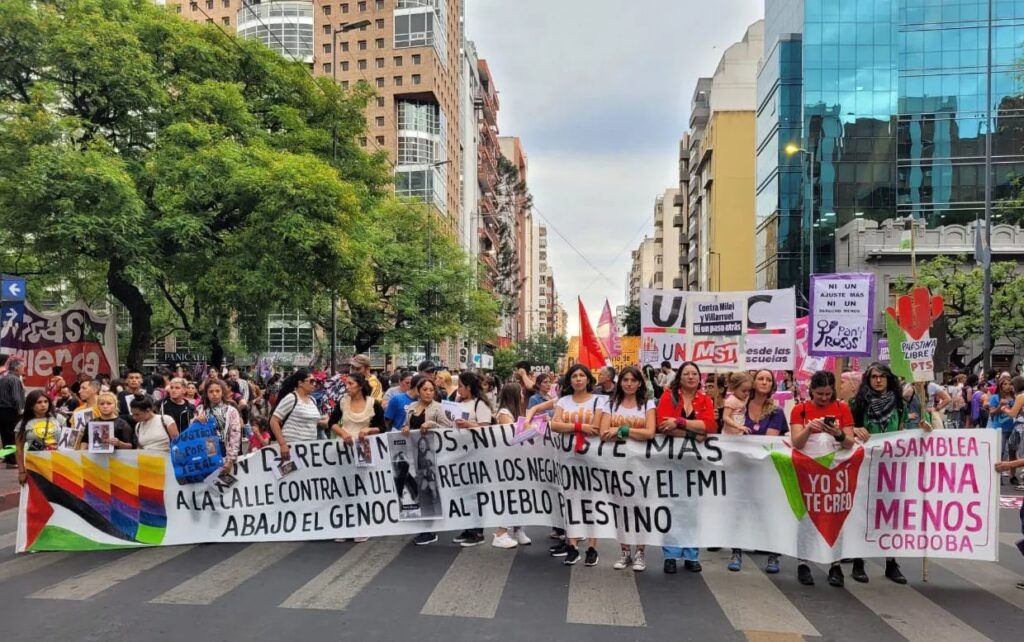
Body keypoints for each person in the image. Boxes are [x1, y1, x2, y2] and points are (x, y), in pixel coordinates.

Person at [849, 363, 934, 584]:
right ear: (867, 380)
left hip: (892, 467)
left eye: (882, 376)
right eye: (873, 376)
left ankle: (891, 562)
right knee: (863, 514)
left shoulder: (899, 404)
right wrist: (855, 430)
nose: (878, 380)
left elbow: (903, 431)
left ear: (889, 379)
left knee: (890, 515)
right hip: (865, 465)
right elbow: (848, 430)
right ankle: (858, 561)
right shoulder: (856, 404)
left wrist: (921, 431)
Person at [789, 370, 856, 587]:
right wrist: (809, 428)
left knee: (835, 516)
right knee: (806, 517)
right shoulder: (800, 410)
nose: (824, 398)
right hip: (808, 472)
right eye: (820, 394)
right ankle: (803, 563)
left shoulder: (842, 408)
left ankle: (835, 565)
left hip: (835, 473)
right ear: (811, 391)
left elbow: (849, 442)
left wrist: (837, 432)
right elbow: (797, 443)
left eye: (828, 394)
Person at [656, 361, 717, 574]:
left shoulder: (705, 400)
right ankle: (671, 554)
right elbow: (663, 426)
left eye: (695, 374)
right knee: (672, 506)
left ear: (699, 378)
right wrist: (693, 432)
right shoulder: (668, 397)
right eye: (687, 374)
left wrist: (679, 422)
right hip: (671, 460)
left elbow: (709, 426)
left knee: (693, 509)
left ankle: (692, 554)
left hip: (696, 464)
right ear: (679, 378)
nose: (691, 377)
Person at [599, 366, 656, 571]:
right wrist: (632, 432)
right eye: (625, 380)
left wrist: (622, 429)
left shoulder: (647, 404)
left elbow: (650, 433)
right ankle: (624, 552)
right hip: (616, 464)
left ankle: (640, 552)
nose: (629, 384)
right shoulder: (610, 404)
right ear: (619, 382)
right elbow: (604, 432)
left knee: (641, 508)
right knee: (620, 508)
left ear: (640, 383)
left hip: (642, 465)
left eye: (633, 380)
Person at [548, 364, 602, 566]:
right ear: (569, 381)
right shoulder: (563, 401)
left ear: (588, 379)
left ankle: (592, 547)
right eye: (574, 376)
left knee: (591, 502)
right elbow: (555, 424)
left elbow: (596, 428)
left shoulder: (599, 400)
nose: (578, 379)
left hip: (592, 459)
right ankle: (571, 545)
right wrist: (579, 426)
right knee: (569, 500)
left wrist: (569, 428)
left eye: (582, 375)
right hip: (566, 458)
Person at [742, 369, 789, 573]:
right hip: (743, 468)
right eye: (760, 378)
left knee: (771, 512)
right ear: (753, 382)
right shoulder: (740, 406)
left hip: (768, 470)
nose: (764, 382)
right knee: (741, 509)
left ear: (772, 385)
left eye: (768, 379)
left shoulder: (776, 411)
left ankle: (773, 555)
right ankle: (736, 550)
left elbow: (769, 439)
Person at [403, 376, 453, 547]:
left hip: (431, 457)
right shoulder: (411, 408)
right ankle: (426, 525)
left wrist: (432, 424)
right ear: (418, 391)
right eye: (425, 389)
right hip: (414, 455)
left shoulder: (438, 408)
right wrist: (405, 428)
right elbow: (405, 425)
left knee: (429, 490)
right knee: (418, 490)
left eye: (431, 390)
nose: (428, 393)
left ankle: (431, 529)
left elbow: (448, 429)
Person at [451, 371, 494, 548]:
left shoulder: (480, 404)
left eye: (460, 385)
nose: (458, 389)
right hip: (460, 454)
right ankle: (467, 527)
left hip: (476, 454)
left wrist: (468, 424)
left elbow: (486, 428)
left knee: (475, 493)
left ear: (468, 387)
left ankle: (477, 531)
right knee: (464, 493)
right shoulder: (459, 402)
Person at [490, 382, 532, 549]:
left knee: (520, 496)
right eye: (520, 393)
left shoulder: (516, 411)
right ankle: (500, 533)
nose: (522, 396)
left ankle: (518, 528)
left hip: (518, 460)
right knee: (511, 497)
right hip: (508, 461)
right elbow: (511, 436)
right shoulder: (505, 413)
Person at [270, 369, 326, 462]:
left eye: (315, 381)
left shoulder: (312, 400)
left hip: (309, 449)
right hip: (292, 448)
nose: (314, 384)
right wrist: (283, 444)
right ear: (300, 383)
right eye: (311, 381)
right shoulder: (291, 398)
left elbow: (312, 421)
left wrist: (325, 422)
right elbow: (274, 421)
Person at [13, 390, 62, 484]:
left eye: (46, 401)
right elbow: (19, 449)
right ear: (31, 405)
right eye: (39, 402)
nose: (43, 405)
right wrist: (21, 471)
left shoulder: (58, 418)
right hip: (36, 466)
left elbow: (68, 440)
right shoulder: (23, 424)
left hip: (58, 464)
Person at [197, 380, 243, 474]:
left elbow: (235, 435)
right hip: (207, 449)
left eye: (217, 391)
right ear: (206, 393)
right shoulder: (200, 410)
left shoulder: (231, 411)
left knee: (227, 478)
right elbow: (193, 432)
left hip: (225, 448)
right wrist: (197, 422)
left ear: (222, 392)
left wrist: (230, 459)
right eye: (211, 391)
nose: (214, 394)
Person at [990, 375, 1020, 483]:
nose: (1007, 386)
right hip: (999, 428)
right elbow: (991, 413)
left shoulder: (1016, 397)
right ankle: (999, 475)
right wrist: (999, 407)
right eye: (1004, 384)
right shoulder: (995, 397)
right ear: (1000, 386)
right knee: (1000, 452)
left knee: (1013, 452)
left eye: (1009, 384)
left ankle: (1013, 476)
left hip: (1013, 428)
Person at [0, 358, 26, 466]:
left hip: (2, 410)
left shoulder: (3, 378)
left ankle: (8, 458)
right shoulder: (15, 379)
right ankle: (11, 461)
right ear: (18, 368)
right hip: (11, 411)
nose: (23, 370)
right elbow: (17, 397)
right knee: (12, 435)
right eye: (22, 368)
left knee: (5, 435)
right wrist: (21, 410)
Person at [721, 372, 753, 436]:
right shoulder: (731, 400)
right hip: (728, 436)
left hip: (739, 434)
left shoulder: (743, 398)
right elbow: (725, 417)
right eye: (744, 391)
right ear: (733, 388)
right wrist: (738, 426)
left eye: (749, 390)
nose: (747, 393)